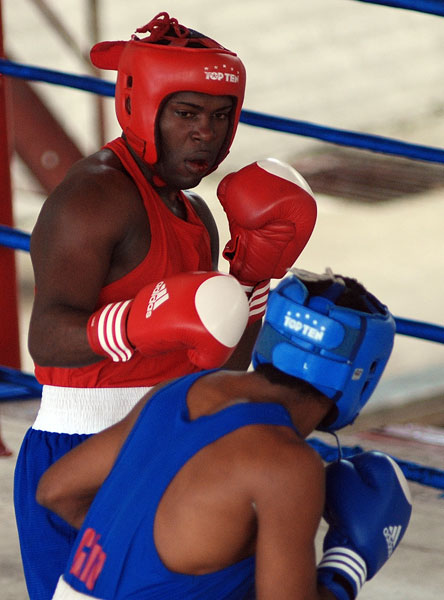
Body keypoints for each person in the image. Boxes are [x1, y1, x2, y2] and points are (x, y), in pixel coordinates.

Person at [14, 12, 317, 600]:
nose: (207, 133)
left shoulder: (196, 214)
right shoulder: (93, 197)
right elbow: (47, 338)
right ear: (143, 106)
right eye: (187, 114)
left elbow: (219, 371)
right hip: (81, 449)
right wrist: (137, 322)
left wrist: (251, 282)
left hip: (173, 438)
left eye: (220, 116)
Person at [37, 268, 412, 600]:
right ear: (363, 374)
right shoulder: (287, 465)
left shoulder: (182, 390)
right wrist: (350, 563)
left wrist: (133, 559)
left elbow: (56, 490)